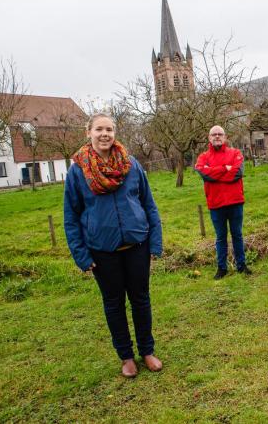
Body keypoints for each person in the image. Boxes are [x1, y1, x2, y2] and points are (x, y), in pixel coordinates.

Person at [64, 113, 163, 378]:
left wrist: (155, 242)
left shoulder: (131, 165)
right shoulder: (78, 171)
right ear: (89, 133)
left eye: (109, 129)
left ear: (114, 132)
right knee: (114, 303)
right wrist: (82, 256)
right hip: (102, 250)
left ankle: (147, 351)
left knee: (141, 300)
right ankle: (126, 356)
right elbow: (71, 217)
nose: (104, 134)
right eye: (99, 129)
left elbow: (148, 204)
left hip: (137, 245)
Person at [194, 125, 251, 279]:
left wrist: (214, 170)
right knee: (220, 237)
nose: (217, 136)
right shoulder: (202, 158)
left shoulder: (236, 153)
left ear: (225, 137)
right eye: (214, 134)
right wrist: (225, 168)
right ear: (209, 138)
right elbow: (204, 174)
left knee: (237, 234)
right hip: (215, 204)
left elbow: (238, 172)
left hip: (235, 202)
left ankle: (241, 265)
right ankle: (222, 268)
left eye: (220, 134)